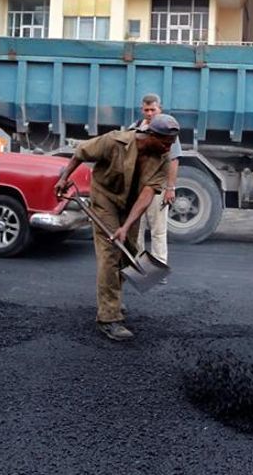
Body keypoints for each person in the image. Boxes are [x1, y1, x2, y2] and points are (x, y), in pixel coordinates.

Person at [53, 114, 179, 341]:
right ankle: (109, 318)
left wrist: (127, 225)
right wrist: (64, 178)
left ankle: (113, 300)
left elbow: (147, 193)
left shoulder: (162, 157)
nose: (167, 148)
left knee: (126, 254)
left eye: (171, 143)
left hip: (130, 205)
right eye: (164, 142)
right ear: (150, 135)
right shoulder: (114, 141)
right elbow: (81, 152)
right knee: (110, 253)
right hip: (105, 199)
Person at [132, 94, 181, 282]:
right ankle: (139, 268)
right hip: (138, 189)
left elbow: (173, 160)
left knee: (158, 231)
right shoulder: (134, 128)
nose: (150, 113)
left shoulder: (167, 130)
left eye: (153, 109)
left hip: (158, 189)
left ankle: (159, 271)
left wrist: (171, 188)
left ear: (160, 109)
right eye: (147, 110)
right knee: (136, 231)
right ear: (142, 110)